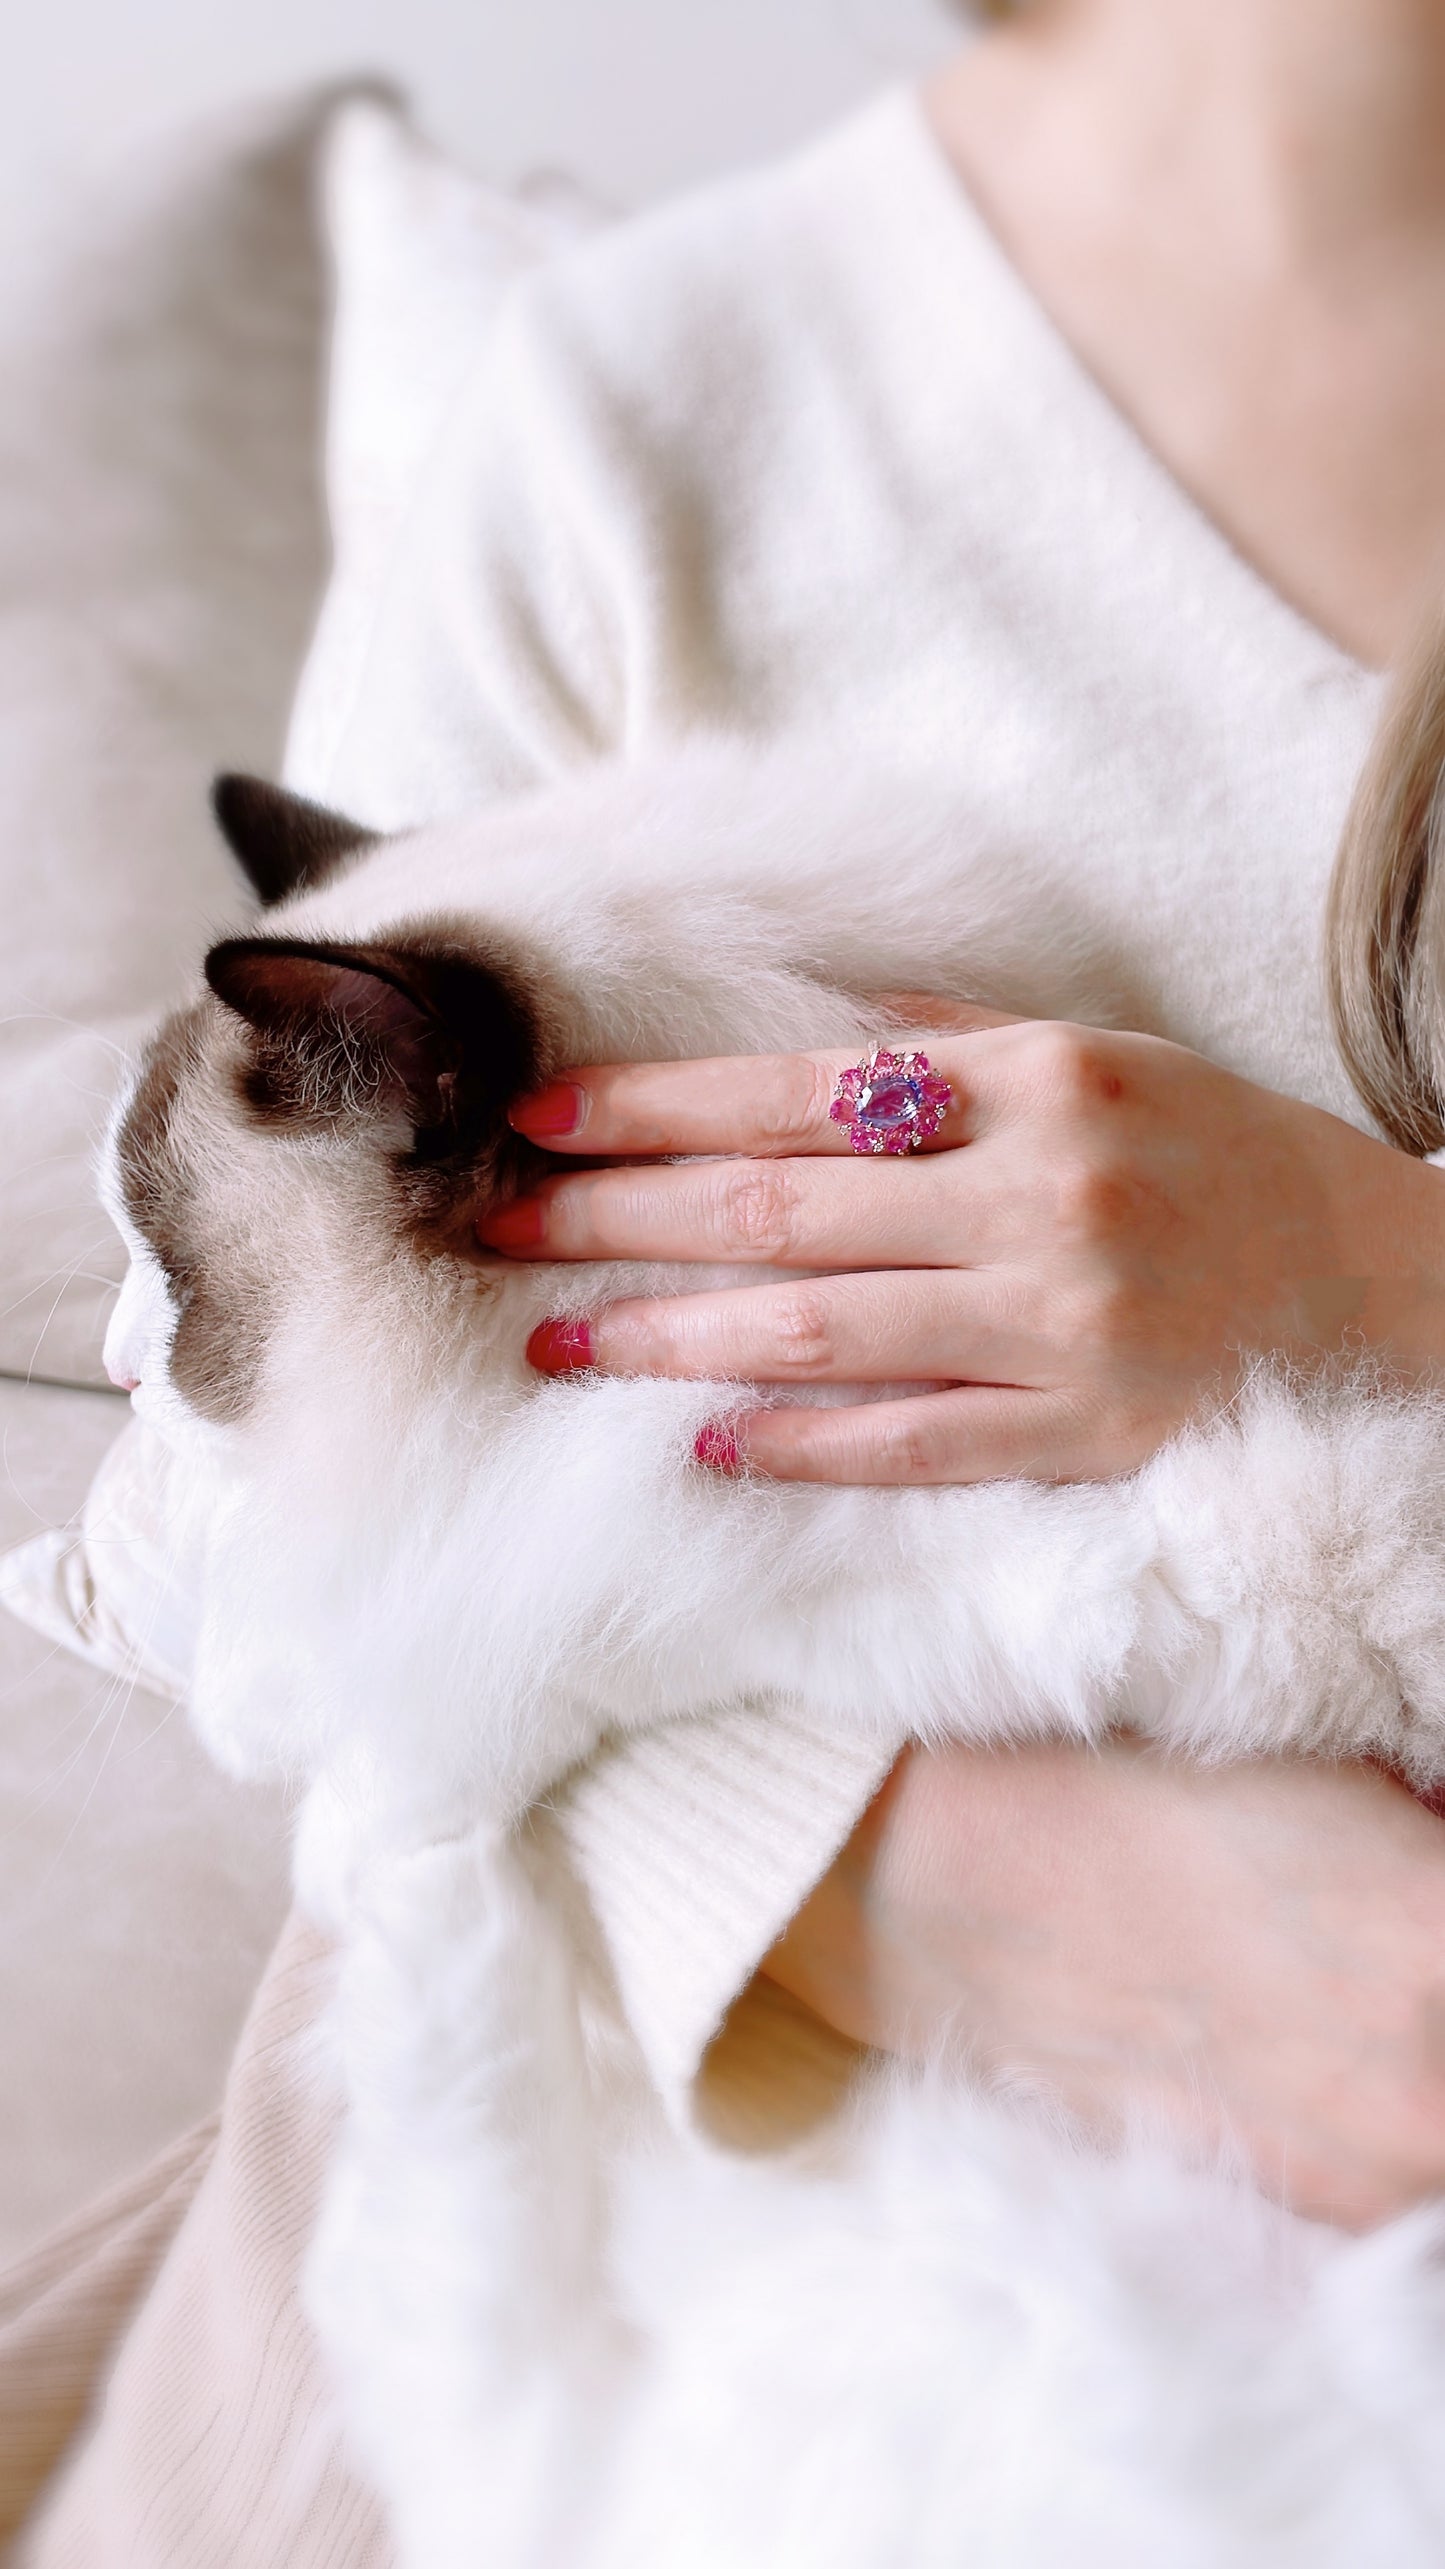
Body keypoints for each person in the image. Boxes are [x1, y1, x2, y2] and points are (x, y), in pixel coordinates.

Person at [19, 0, 1445, 2553]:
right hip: (706, 2143)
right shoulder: (658, 402)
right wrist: (899, 1870)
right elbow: (202, 1516)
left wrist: (1381, 1258)